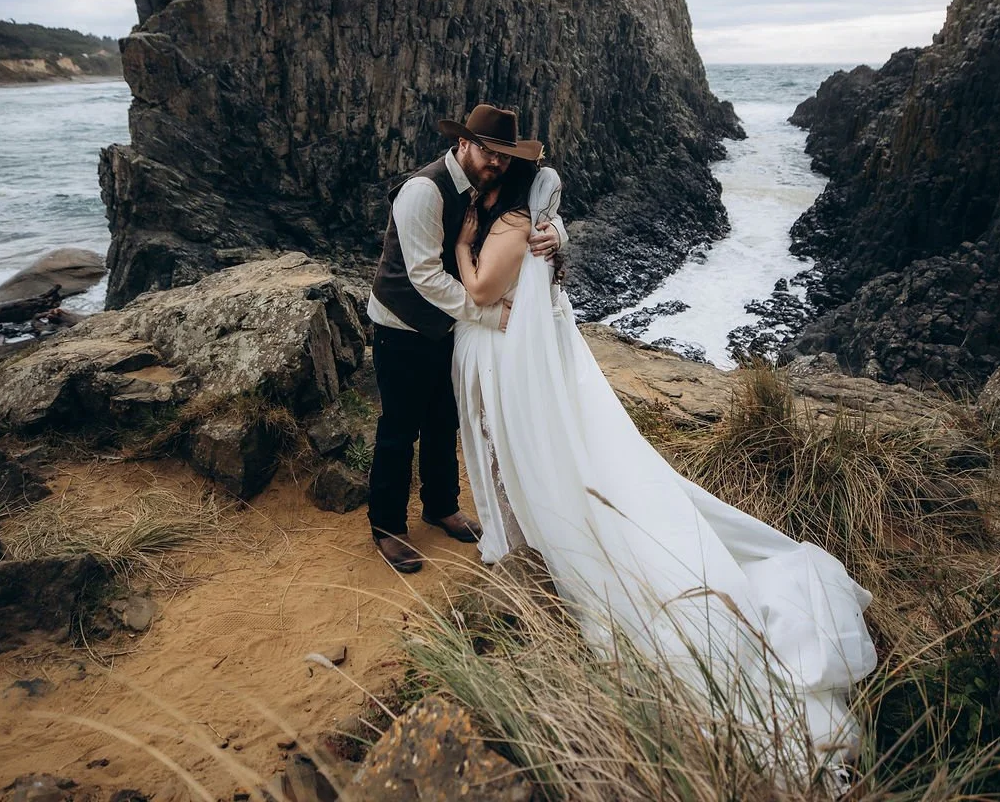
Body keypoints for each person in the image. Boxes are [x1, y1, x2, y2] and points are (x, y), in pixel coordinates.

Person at [452, 162, 878, 768]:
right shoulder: (530, 218)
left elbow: (482, 291)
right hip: (526, 356)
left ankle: (536, 542)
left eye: (498, 161)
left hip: (509, 354)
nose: (487, 170)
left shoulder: (511, 223)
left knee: (528, 456)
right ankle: (528, 533)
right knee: (545, 454)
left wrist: (469, 247)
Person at [366, 104, 567, 573]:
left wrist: (557, 233)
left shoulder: (490, 188)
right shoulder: (423, 191)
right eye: (487, 150)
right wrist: (491, 312)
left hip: (451, 328)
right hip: (402, 326)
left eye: (503, 154)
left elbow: (538, 212)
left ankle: (440, 506)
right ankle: (387, 527)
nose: (496, 161)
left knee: (443, 421)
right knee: (399, 428)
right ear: (462, 143)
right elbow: (423, 277)